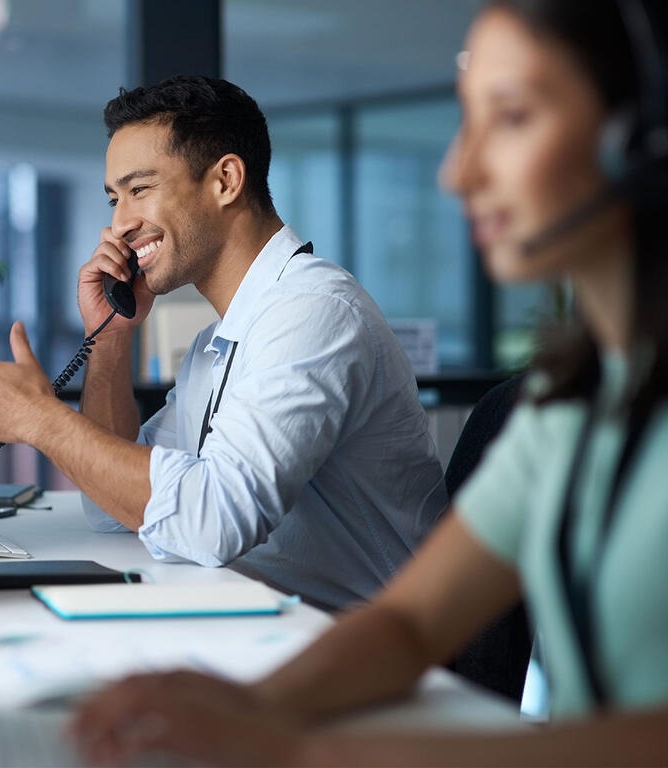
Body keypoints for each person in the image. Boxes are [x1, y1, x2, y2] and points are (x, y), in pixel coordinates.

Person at [68, 1, 668, 765]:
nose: (459, 170)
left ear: (642, 143)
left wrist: (297, 749)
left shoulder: (315, 310)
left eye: (511, 118)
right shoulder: (570, 407)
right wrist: (249, 706)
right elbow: (410, 623)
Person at [0, 75, 448, 611]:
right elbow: (114, 507)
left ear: (225, 181)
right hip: (278, 625)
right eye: (113, 199)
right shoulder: (217, 344)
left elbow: (215, 521)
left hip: (367, 653)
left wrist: (42, 419)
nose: (119, 225)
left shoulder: (313, 312)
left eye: (140, 190)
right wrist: (111, 338)